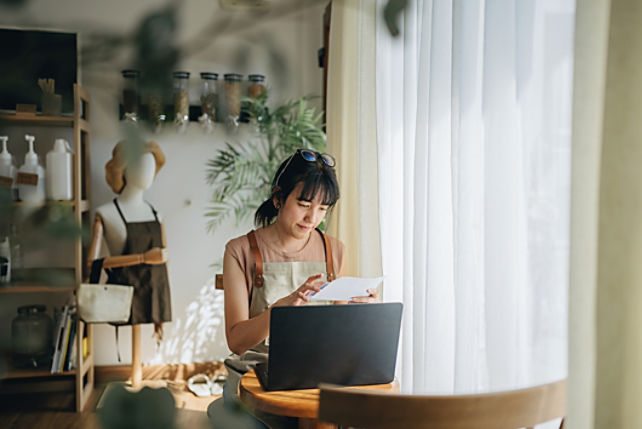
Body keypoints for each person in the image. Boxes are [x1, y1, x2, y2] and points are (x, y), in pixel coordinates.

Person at [208, 148, 377, 428]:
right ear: (278, 198)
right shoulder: (240, 251)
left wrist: (360, 314)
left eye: (323, 208)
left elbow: (335, 335)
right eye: (304, 204)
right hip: (255, 375)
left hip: (316, 374)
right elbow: (236, 342)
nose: (313, 218)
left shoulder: (333, 249)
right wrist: (282, 308)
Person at [87, 140, 171, 386]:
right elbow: (93, 262)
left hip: (152, 289)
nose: (147, 170)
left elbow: (164, 260)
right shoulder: (106, 213)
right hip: (123, 292)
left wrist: (161, 314)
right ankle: (131, 382)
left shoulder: (157, 213)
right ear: (122, 169)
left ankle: (139, 381)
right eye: (138, 163)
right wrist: (143, 258)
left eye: (150, 164)